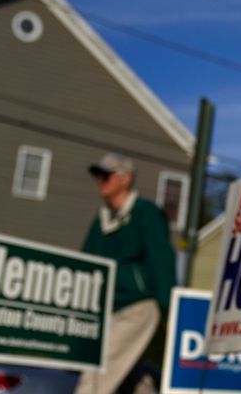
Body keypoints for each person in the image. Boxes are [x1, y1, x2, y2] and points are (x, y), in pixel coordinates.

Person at [76, 153, 176, 394]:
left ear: (125, 178)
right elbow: (86, 264)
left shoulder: (145, 214)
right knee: (133, 377)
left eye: (106, 175)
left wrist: (169, 311)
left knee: (98, 374)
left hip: (137, 306)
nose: (100, 180)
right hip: (108, 309)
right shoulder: (100, 221)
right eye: (97, 176)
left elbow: (162, 263)